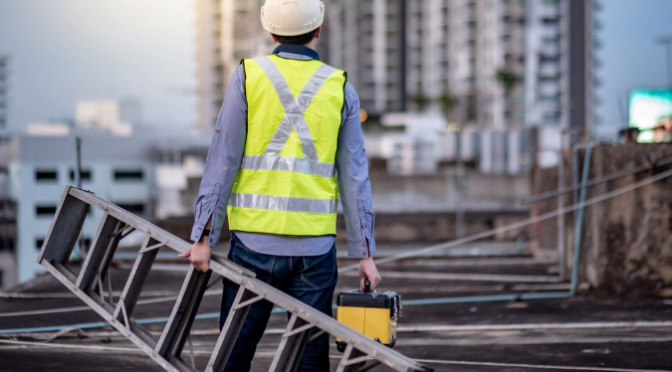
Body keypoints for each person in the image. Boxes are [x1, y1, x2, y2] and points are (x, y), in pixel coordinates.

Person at [179, 0, 381, 370]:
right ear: (318, 31)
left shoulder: (248, 75)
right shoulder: (340, 87)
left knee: (234, 354)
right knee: (309, 358)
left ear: (269, 31)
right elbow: (355, 177)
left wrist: (203, 235)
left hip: (253, 245)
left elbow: (223, 159)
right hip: (315, 250)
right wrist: (364, 254)